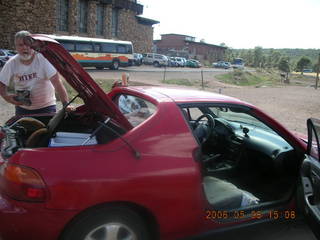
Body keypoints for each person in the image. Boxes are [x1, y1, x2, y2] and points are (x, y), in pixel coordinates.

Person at [0, 30, 69, 116]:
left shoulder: (43, 59)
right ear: (16, 47)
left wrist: (65, 104)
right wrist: (6, 97)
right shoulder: (12, 63)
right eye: (20, 45)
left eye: (27, 44)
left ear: (32, 45)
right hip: (23, 108)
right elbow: (2, 83)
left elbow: (57, 82)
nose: (25, 47)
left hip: (46, 106)